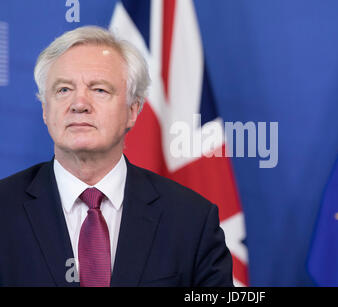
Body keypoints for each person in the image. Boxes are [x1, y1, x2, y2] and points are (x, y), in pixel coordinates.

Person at [0, 26, 233, 287]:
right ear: (45, 110)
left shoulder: (192, 220)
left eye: (99, 90)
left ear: (133, 111)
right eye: (63, 89)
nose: (79, 104)